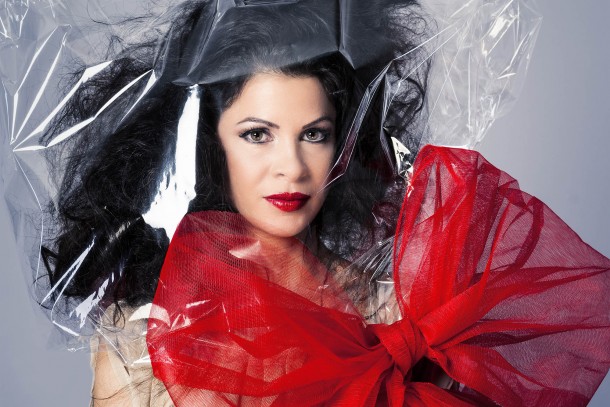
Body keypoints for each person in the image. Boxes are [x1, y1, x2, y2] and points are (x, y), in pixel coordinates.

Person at [36, 0, 610, 406]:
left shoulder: (400, 313)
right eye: (257, 134)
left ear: (347, 142)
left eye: (314, 134)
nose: (291, 165)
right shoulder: (143, 338)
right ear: (208, 144)